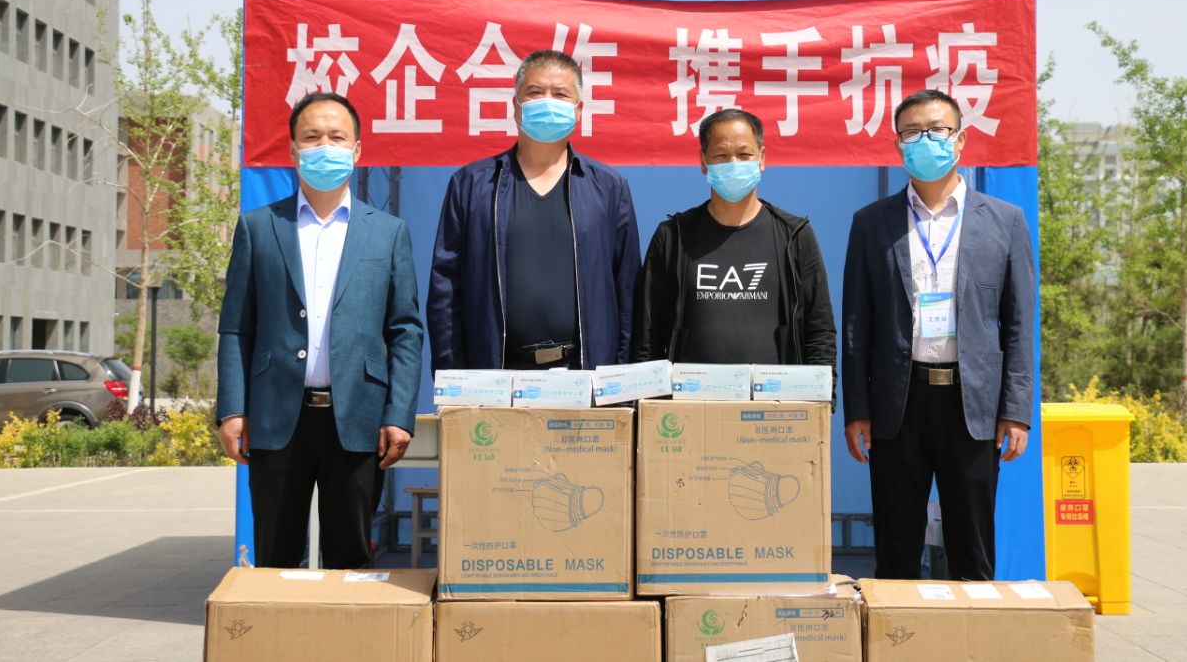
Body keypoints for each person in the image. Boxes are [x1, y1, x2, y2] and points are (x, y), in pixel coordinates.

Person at [217, 93, 424, 569]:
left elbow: (405, 331)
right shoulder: (258, 228)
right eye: (312, 138)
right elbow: (236, 328)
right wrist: (232, 409)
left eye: (336, 137)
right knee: (275, 558)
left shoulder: (388, 231)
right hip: (275, 418)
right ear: (293, 150)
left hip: (358, 418)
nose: (324, 147)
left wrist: (398, 413)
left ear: (357, 150)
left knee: (350, 559)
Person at [841, 88, 1034, 581]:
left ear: (961, 139)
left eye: (937, 130)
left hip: (972, 403)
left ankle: (973, 629)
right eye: (912, 133)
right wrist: (857, 409)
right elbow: (857, 324)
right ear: (897, 146)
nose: (925, 141)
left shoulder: (1005, 221)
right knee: (896, 551)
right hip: (897, 403)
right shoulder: (870, 223)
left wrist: (1015, 409)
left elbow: (1018, 323)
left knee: (972, 551)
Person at [428, 50, 640, 371]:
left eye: (560, 94)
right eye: (535, 92)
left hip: (583, 376)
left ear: (578, 110)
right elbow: (445, 290)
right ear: (516, 106)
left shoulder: (609, 188)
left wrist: (622, 379)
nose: (547, 102)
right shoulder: (471, 185)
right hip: (495, 377)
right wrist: (453, 378)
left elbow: (628, 292)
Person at [633, 108, 836, 373]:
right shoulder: (673, 237)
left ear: (762, 159)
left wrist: (822, 394)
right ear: (703, 161)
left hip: (775, 396)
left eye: (744, 154)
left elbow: (819, 331)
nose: (733, 164)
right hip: (691, 396)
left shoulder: (794, 236)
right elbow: (647, 335)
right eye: (721, 155)